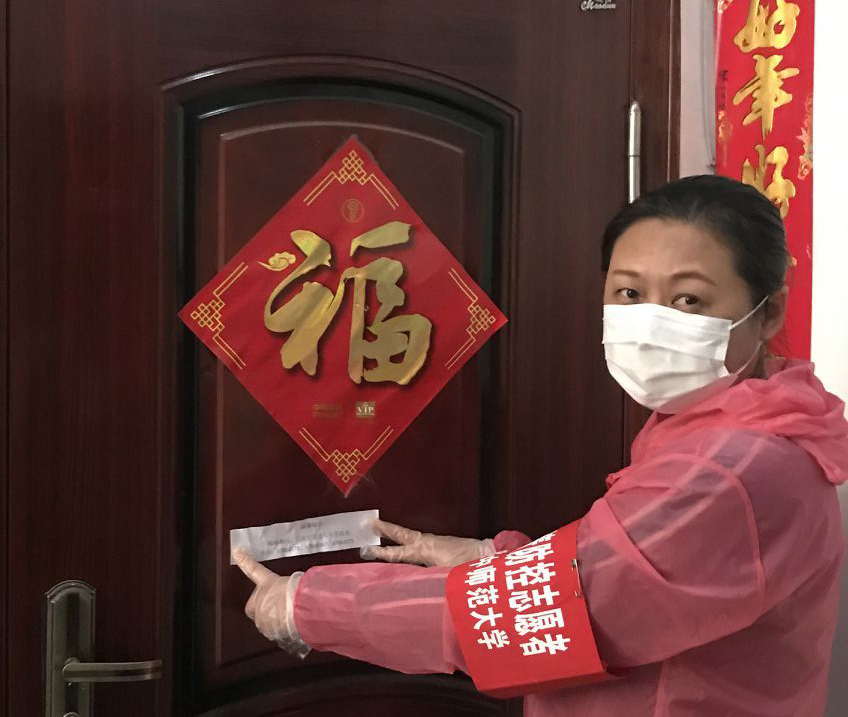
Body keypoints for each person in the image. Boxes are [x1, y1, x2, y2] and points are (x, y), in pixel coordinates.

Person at [233, 175, 848, 716]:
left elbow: (561, 613)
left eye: (689, 299)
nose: (651, 322)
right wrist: (490, 558)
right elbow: (634, 577)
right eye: (629, 293)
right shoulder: (722, 428)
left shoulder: (733, 470)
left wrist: (312, 606)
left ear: (769, 314)